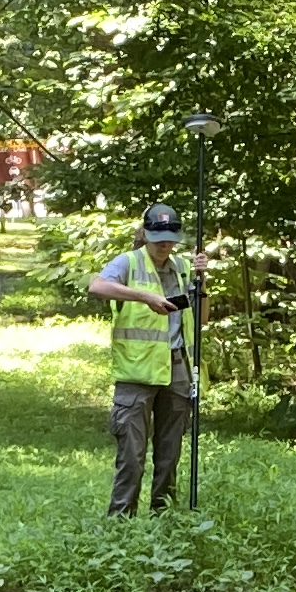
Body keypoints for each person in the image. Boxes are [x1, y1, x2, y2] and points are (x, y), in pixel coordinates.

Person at [88, 201, 196, 516]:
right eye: (157, 236)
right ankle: (120, 522)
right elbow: (97, 286)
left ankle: (163, 517)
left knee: (169, 453)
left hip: (177, 369)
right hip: (136, 374)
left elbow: (198, 317)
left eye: (170, 237)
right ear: (145, 234)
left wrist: (203, 283)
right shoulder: (128, 263)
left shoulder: (183, 267)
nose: (164, 243)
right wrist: (145, 296)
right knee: (132, 456)